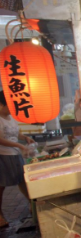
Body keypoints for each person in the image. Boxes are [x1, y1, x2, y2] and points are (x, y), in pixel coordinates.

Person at [0, 90, 35, 229]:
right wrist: (18, 145)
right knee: (1, 186)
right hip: (3, 155)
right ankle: (0, 215)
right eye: (9, 105)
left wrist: (25, 137)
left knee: (22, 180)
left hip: (15, 154)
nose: (12, 109)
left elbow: (15, 132)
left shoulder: (10, 117)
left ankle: (33, 205)